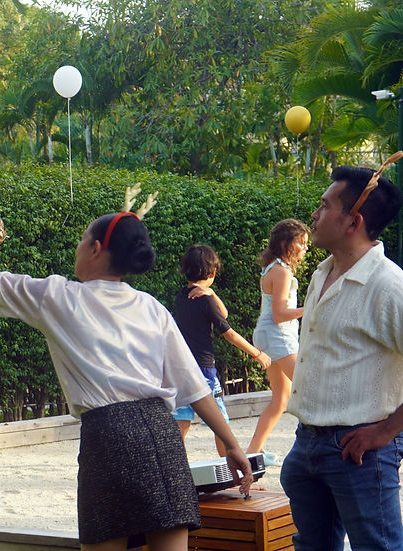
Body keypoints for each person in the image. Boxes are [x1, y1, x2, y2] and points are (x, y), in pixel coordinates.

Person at [0, 170, 252, 551]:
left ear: (94, 250)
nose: (77, 247)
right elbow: (194, 386)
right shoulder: (150, 307)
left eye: (81, 240)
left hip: (109, 437)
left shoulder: (59, 298)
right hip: (162, 432)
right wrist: (232, 444)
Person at [280, 160, 403, 551]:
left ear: (354, 221)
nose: (314, 216)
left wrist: (385, 431)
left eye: (324, 206)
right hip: (307, 446)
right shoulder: (322, 271)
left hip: (361, 453)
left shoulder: (389, 287)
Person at [172, 245, 271, 456]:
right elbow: (229, 332)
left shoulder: (181, 297)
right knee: (221, 425)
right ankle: (233, 472)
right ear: (213, 273)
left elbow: (222, 314)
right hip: (204, 371)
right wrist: (257, 353)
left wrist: (212, 293)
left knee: (182, 423)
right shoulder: (205, 301)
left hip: (183, 369)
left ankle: (171, 469)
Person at [248, 219, 310, 465]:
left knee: (281, 399)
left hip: (269, 335)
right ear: (286, 244)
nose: (305, 248)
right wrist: (311, 308)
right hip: (277, 336)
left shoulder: (273, 268)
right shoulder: (281, 271)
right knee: (309, 387)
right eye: (301, 243)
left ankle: (253, 452)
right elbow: (279, 314)